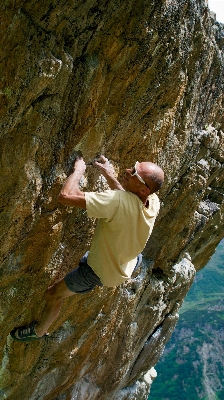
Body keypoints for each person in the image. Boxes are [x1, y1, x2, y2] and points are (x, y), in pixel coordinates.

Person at [10, 155, 164, 342]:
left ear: (144, 188)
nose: (127, 171)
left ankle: (39, 331)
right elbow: (128, 200)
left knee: (52, 294)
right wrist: (108, 174)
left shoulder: (117, 202)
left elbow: (65, 196)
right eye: (133, 166)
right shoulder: (153, 201)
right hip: (130, 262)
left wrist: (79, 170)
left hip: (100, 272)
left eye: (133, 172)